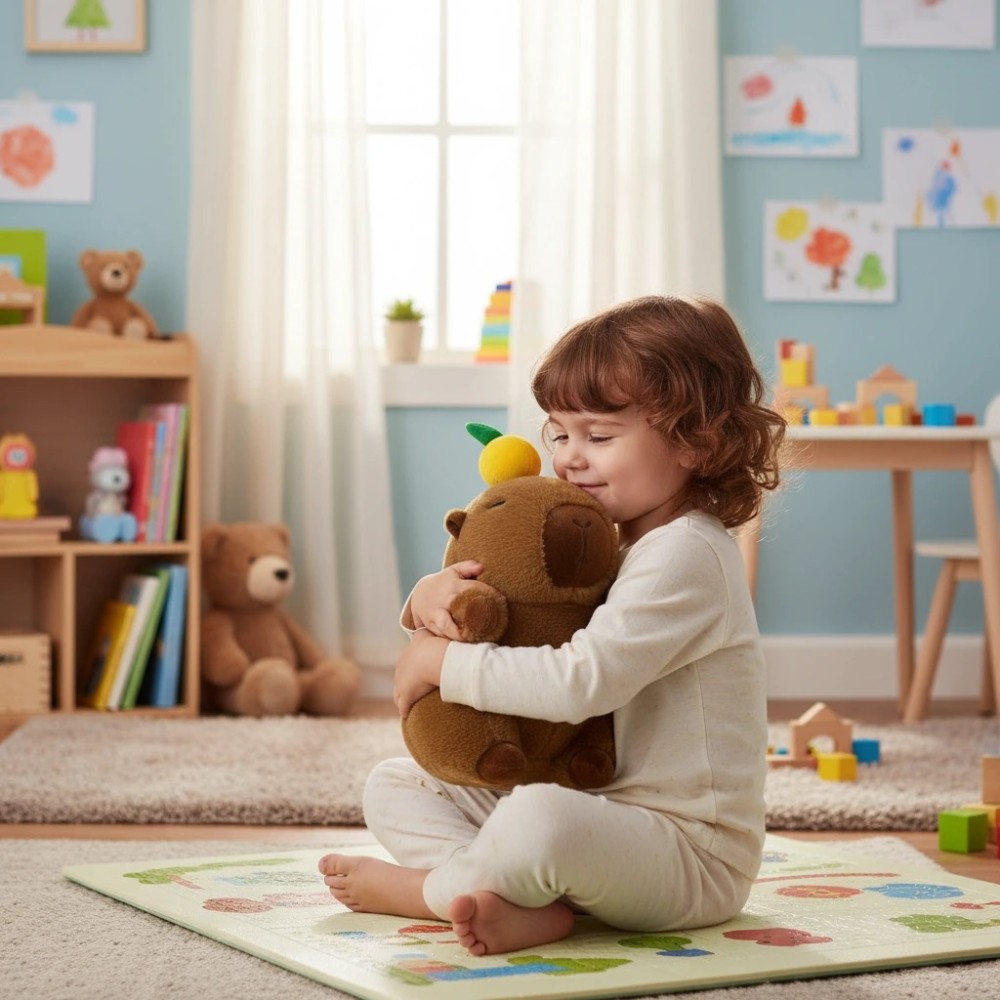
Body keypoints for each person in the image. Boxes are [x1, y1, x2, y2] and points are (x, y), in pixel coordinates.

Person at [319, 294, 786, 956]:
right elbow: (520, 618)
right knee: (395, 782)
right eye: (559, 432)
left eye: (599, 436)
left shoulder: (688, 551)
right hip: (598, 813)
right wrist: (432, 597)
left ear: (696, 442)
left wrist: (441, 664)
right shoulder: (611, 543)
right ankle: (505, 895)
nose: (569, 458)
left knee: (538, 819)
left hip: (687, 856)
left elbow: (579, 682)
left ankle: (428, 891)